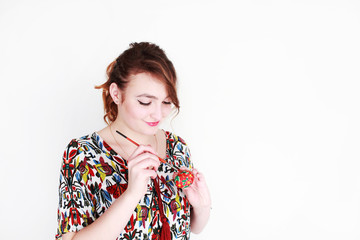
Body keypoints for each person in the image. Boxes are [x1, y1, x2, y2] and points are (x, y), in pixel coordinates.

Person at [56, 42, 211, 240]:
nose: (158, 113)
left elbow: (193, 227)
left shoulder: (177, 147)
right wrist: (132, 194)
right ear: (116, 94)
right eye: (145, 102)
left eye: (166, 102)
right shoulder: (82, 154)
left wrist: (202, 206)